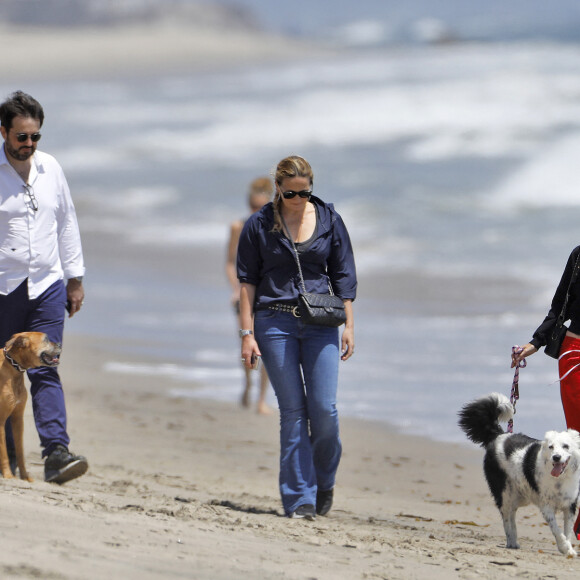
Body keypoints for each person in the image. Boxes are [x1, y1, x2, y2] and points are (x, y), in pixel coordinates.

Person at [236, 155, 357, 519]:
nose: (299, 200)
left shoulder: (329, 219)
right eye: (291, 194)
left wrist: (350, 325)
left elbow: (344, 275)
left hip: (322, 323)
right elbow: (247, 282)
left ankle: (324, 481)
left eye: (305, 193)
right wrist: (247, 333)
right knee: (292, 412)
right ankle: (299, 498)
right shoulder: (258, 225)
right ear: (278, 188)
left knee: (323, 409)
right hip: (274, 322)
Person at [0, 91, 88, 484]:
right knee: (4, 372)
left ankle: (55, 451)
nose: (30, 144)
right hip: (4, 286)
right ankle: (7, 458)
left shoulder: (51, 168)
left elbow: (67, 222)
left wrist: (75, 278)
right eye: (22, 137)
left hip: (48, 284)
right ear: (3, 132)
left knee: (47, 363)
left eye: (35, 136)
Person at [511, 244, 580, 537]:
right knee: (577, 437)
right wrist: (535, 343)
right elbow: (559, 306)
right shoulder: (579, 256)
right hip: (576, 353)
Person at [226, 177, 273, 414]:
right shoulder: (239, 227)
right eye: (253, 206)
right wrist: (236, 289)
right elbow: (229, 263)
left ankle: (261, 399)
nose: (257, 211)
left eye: (261, 207)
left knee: (266, 347)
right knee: (247, 345)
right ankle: (247, 383)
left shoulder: (275, 229)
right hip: (244, 294)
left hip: (267, 296)